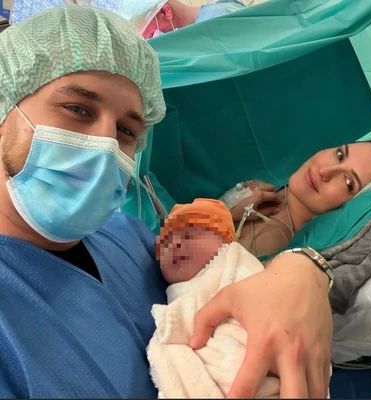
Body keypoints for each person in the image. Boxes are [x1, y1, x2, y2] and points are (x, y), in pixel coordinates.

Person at [0, 4, 334, 399]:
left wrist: (304, 270)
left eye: (126, 130)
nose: (106, 143)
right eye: (77, 109)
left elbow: (220, 275)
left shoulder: (128, 237)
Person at [148, 198, 283, 398]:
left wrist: (174, 324)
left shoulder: (236, 265)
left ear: (225, 241)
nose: (174, 244)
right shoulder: (173, 293)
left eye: (189, 234)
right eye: (165, 244)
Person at [222, 140, 371, 258]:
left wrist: (222, 212)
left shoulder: (275, 249)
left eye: (348, 182)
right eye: (339, 155)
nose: (325, 171)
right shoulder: (261, 174)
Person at [131, 0, 246, 39]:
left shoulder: (216, 16)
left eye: (152, 35)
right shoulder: (197, 30)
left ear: (165, 11)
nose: (156, 39)